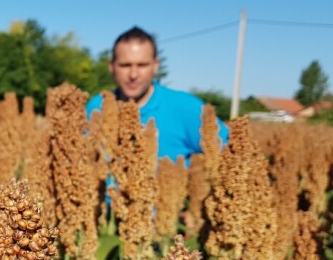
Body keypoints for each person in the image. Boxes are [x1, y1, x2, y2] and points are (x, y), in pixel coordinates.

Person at [86, 26, 229, 161]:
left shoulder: (186, 108)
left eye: (142, 65)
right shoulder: (96, 108)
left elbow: (230, 156)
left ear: (155, 66)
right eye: (125, 65)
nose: (133, 74)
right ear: (112, 66)